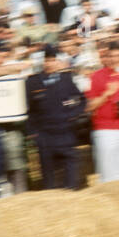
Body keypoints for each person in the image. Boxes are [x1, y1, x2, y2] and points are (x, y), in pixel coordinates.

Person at [25, 44, 87, 190]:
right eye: (47, 60)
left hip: (66, 131)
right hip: (45, 135)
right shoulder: (32, 82)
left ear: (58, 62)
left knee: (71, 180)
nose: (49, 63)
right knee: (49, 180)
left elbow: (81, 100)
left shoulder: (66, 79)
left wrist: (72, 116)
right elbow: (29, 111)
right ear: (42, 62)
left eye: (53, 60)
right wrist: (33, 134)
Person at [86, 41, 119, 181]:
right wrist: (107, 93)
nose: (116, 59)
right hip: (105, 129)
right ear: (107, 57)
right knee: (107, 174)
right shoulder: (97, 76)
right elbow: (90, 106)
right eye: (113, 56)